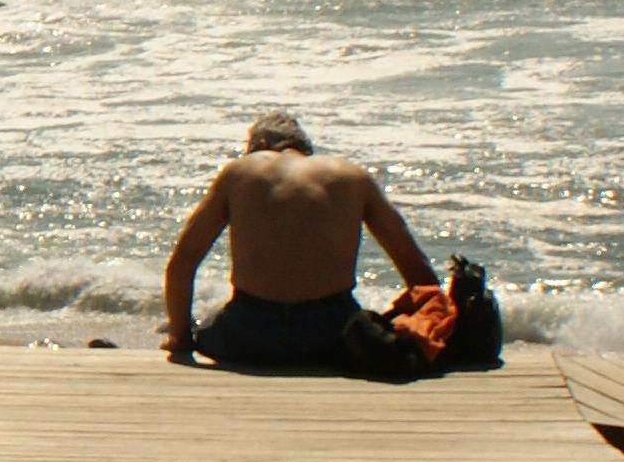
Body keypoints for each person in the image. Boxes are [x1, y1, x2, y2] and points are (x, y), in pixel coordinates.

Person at [163, 108, 437, 369]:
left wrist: (180, 338)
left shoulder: (240, 171)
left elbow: (183, 262)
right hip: (333, 336)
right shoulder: (352, 176)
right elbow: (416, 268)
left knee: (208, 323)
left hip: (248, 337)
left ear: (260, 143)